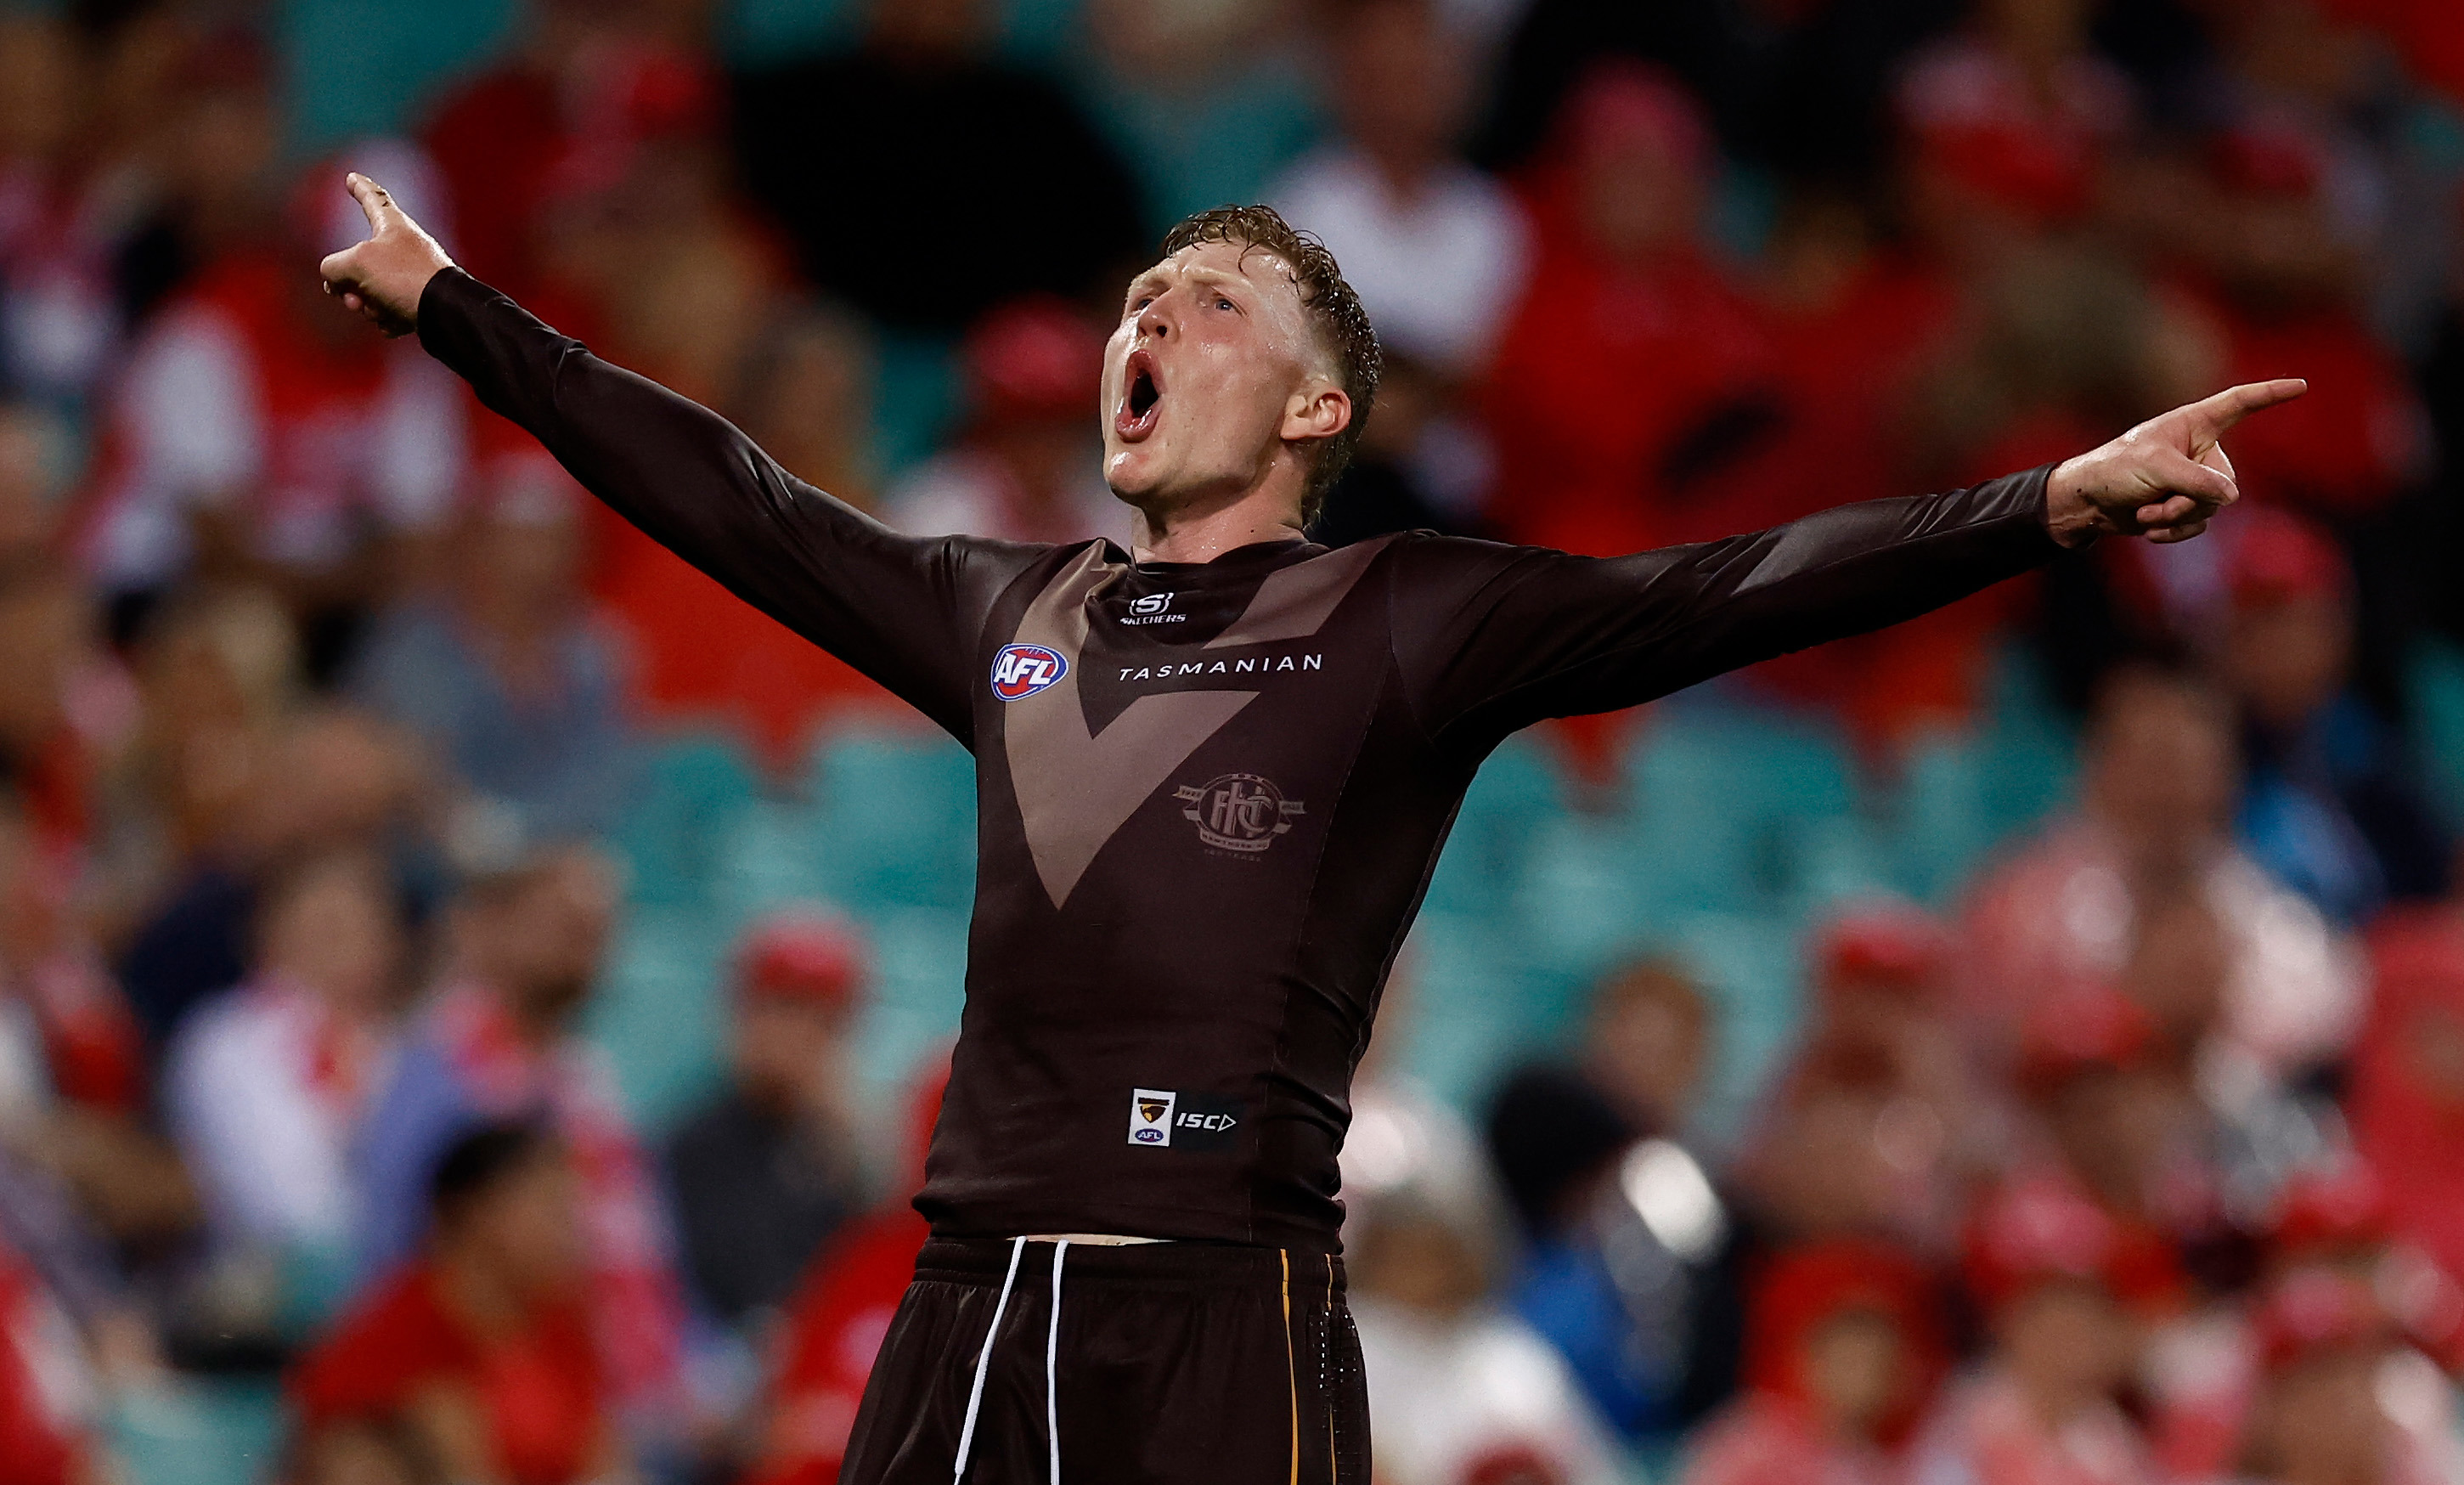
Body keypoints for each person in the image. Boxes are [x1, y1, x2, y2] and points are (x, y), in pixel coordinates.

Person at [320, 161, 2302, 1480]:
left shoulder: (1412, 616)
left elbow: (1730, 580)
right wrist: (451, 306)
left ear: (1311, 408)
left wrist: (2039, 498)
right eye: (1137, 299)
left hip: (1226, 1298)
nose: (1147, 323)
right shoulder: (1009, 611)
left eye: (1202, 302)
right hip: (973, 1279)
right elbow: (731, 494)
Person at [350, 847, 688, 1446]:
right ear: (480, 927)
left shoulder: (593, 1084)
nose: (584, 943)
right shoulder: (435, 1072)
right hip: (496, 1400)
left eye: (596, 930)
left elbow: (654, 1263)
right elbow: (398, 1252)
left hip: (633, 1405)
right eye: (560, 921)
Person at [291, 1121, 634, 1485]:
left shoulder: (564, 1324)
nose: (571, 1232)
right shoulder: (390, 1341)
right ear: (473, 1211)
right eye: (550, 1207)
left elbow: (607, 1462)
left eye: (571, 1211)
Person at [663, 907, 868, 1334]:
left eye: (814, 1016)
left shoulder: (851, 1157)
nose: (788, 1032)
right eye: (774, 1008)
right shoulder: (693, 1146)